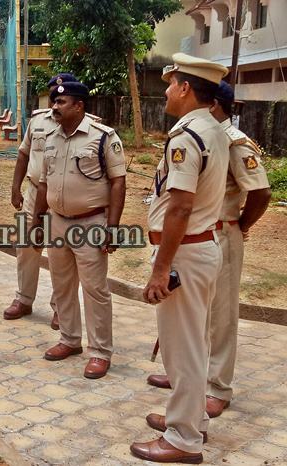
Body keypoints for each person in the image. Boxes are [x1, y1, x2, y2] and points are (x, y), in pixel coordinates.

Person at [144, 81, 271, 417]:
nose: (170, 91)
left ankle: (217, 386)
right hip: (197, 233)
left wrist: (241, 226)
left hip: (219, 231)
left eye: (175, 85)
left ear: (212, 104)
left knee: (220, 315)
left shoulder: (231, 141)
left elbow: (260, 192)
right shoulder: (203, 135)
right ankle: (189, 378)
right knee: (194, 319)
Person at [130, 53, 229, 464]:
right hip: (201, 248)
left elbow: (181, 207)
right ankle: (191, 420)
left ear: (186, 87)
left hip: (184, 253)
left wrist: (160, 269)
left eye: (171, 84)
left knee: (181, 350)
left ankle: (183, 439)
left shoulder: (187, 136)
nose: (168, 91)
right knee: (195, 343)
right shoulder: (215, 129)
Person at [30, 80, 126, 379]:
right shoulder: (51, 138)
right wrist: (36, 220)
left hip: (90, 223)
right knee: (62, 284)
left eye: (61, 102)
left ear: (79, 105)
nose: (54, 107)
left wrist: (112, 228)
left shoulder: (103, 137)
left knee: (95, 289)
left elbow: (118, 182)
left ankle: (100, 352)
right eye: (54, 102)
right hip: (57, 221)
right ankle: (70, 340)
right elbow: (43, 183)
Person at [4, 72, 100, 328]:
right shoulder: (37, 121)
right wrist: (15, 187)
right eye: (53, 96)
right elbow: (24, 154)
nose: (55, 102)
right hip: (34, 192)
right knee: (27, 248)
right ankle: (23, 299)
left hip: (64, 200)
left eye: (61, 97)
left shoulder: (88, 125)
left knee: (64, 254)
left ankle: (60, 307)